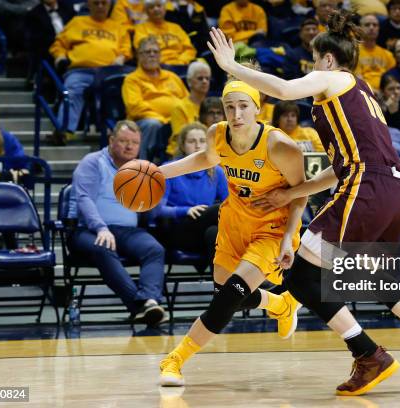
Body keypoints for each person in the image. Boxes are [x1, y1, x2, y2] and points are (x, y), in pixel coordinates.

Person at [202, 10, 400, 396]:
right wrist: (292, 193)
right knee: (371, 272)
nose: (310, 69)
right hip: (392, 190)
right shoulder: (362, 94)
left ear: (326, 58)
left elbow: (285, 90)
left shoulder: (333, 77)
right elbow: (344, 166)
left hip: (368, 188)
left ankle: (368, 354)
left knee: (304, 279)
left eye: (312, 59)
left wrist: (232, 67)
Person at [158, 79, 307, 386]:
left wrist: (290, 238)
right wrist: (158, 171)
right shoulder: (217, 134)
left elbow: (301, 193)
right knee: (227, 292)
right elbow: (205, 159)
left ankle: (174, 359)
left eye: (243, 106)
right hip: (234, 222)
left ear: (258, 108)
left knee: (228, 298)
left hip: (271, 228)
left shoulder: (280, 146)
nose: (236, 113)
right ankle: (280, 304)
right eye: (230, 107)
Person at [69, 120, 167, 326]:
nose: (129, 146)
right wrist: (100, 228)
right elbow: (84, 198)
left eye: (134, 142)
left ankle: (149, 300)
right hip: (89, 230)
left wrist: (154, 195)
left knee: (154, 249)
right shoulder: (93, 162)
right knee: (104, 247)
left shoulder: (141, 168)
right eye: (123, 141)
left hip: (128, 230)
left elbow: (151, 210)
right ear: (111, 140)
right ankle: (140, 306)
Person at [49, 0, 131, 140]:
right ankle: (65, 131)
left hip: (109, 72)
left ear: (109, 6)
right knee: (72, 90)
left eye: (103, 3)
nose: (100, 6)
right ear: (89, 5)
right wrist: (60, 57)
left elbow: (126, 49)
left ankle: (122, 134)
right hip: (81, 70)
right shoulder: (77, 22)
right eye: (96, 3)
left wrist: (121, 58)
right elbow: (58, 44)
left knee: (126, 90)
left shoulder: (118, 27)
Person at [156, 123, 228, 264]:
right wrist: (185, 210)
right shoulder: (168, 170)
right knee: (218, 210)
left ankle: (222, 286)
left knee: (214, 234)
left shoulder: (217, 171)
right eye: (191, 141)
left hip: (205, 230)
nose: (197, 146)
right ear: (182, 146)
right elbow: (157, 211)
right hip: (178, 231)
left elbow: (231, 203)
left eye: (202, 141)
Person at [122, 36, 188, 162]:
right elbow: (135, 107)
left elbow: (186, 102)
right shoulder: (132, 79)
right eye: (147, 52)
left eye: (155, 52)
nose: (152, 55)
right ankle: (142, 165)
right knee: (152, 124)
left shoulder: (173, 77)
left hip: (174, 121)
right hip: (147, 123)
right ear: (139, 56)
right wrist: (163, 119)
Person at [166, 61, 212, 156]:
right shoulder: (179, 106)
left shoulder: (213, 106)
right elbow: (181, 138)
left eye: (207, 78)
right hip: (183, 153)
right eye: (200, 78)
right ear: (189, 81)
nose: (204, 81)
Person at [133, 0, 197, 66]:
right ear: (147, 12)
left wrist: (181, 61)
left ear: (164, 8)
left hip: (181, 64)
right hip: (157, 66)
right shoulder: (141, 28)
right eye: (151, 7)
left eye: (159, 6)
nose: (156, 9)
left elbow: (189, 49)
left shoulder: (176, 27)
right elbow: (144, 51)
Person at [355, 14, 396, 92]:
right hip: (363, 94)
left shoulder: (388, 55)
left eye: (375, 25)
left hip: (385, 95)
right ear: (359, 29)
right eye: (367, 25)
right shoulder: (353, 52)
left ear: (378, 29)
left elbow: (393, 80)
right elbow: (356, 79)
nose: (371, 27)